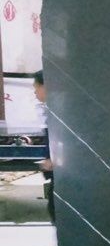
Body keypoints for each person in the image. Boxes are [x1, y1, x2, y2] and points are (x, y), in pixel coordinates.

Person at [33, 70, 55, 225]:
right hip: (58, 168)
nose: (35, 91)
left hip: (62, 170)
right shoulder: (52, 108)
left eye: (36, 87)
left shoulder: (58, 110)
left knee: (55, 207)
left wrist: (53, 159)